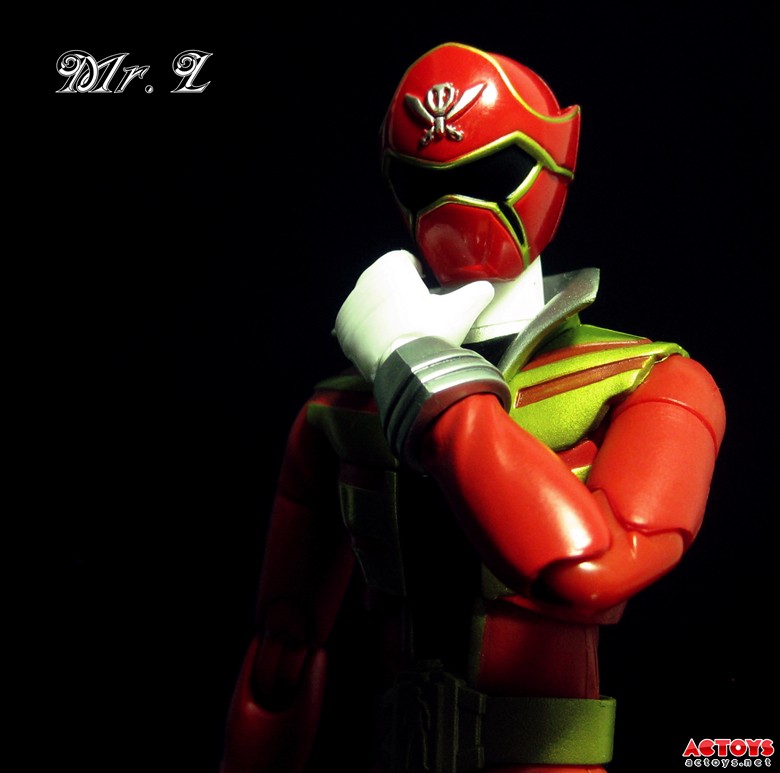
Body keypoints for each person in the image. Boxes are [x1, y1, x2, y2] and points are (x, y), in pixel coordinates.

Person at [220, 42, 726, 773]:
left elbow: (593, 568)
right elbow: (281, 660)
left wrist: (417, 367)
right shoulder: (339, 411)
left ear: (558, 160)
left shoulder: (648, 382)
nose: (455, 206)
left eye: (491, 173)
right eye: (422, 180)